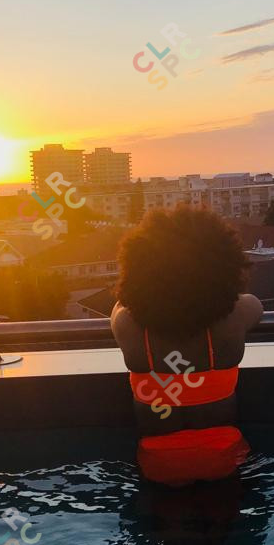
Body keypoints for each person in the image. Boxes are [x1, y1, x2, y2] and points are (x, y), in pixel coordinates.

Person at [111, 206, 263, 486]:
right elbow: (252, 303)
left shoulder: (128, 327)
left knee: (166, 526)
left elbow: (122, 303)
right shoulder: (235, 319)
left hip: (157, 465)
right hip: (225, 460)